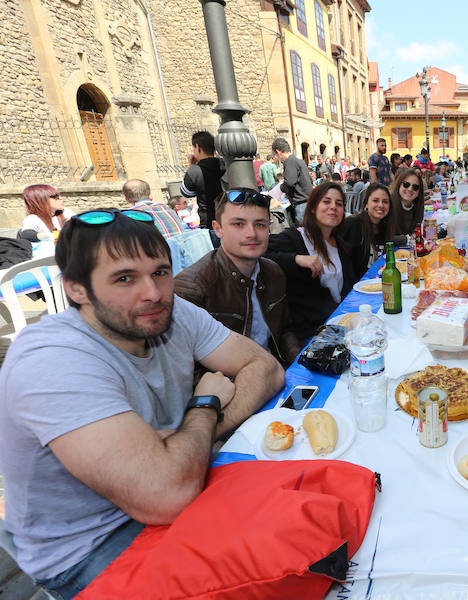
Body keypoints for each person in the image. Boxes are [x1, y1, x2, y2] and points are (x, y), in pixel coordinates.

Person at [0, 209, 284, 598]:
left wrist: (191, 440)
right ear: (76, 289)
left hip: (178, 479)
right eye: (124, 278)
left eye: (160, 272)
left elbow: (265, 368)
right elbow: (166, 496)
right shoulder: (52, 360)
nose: (151, 291)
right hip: (91, 546)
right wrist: (206, 403)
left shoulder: (167, 312)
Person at [173, 189, 301, 365]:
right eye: (238, 224)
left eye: (260, 225)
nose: (252, 234)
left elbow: (285, 330)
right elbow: (183, 366)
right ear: (218, 229)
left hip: (278, 370)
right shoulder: (192, 287)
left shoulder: (273, 272)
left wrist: (300, 367)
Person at [265, 182, 354, 343]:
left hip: (341, 322)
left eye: (339, 204)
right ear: (313, 207)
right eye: (326, 201)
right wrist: (295, 259)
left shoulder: (341, 244)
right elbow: (262, 252)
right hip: (311, 334)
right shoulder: (296, 238)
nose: (333, 207)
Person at [339, 183, 393, 278]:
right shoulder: (353, 225)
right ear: (366, 203)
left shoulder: (385, 226)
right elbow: (345, 265)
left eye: (385, 202)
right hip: (356, 287)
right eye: (375, 200)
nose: (381, 205)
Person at [180, 130, 226, 229]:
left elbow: (186, 192)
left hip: (209, 222)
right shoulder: (225, 165)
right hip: (229, 218)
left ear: (197, 147)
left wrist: (191, 166)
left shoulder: (194, 171)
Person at [271, 137, 313, 226]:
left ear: (278, 152)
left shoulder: (289, 161)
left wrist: (281, 187)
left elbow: (289, 183)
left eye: (276, 155)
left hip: (301, 203)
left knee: (303, 233)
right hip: (307, 201)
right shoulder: (299, 161)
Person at [389, 168, 425, 244]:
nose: (410, 189)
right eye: (406, 184)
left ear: (419, 192)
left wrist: (414, 234)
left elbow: (412, 231)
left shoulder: (416, 207)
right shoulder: (388, 204)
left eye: (415, 187)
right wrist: (406, 239)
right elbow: (381, 236)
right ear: (399, 185)